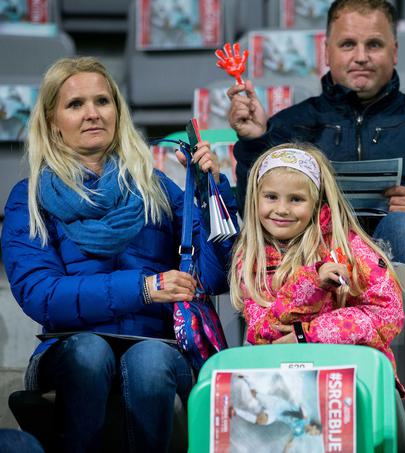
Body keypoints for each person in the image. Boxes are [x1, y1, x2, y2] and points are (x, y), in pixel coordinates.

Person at [0, 57, 238, 452]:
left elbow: (216, 275)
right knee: (91, 351)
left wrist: (209, 190)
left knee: (147, 361)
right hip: (69, 346)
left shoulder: (156, 185)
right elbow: (41, 295)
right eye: (75, 105)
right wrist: (143, 288)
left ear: (117, 111)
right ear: (52, 120)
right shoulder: (28, 198)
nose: (93, 113)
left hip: (157, 345)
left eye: (103, 101)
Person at [227, 0, 405, 325]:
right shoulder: (288, 126)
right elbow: (255, 216)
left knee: (403, 227)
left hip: (399, 258)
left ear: (394, 51)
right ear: (327, 51)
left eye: (374, 44)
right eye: (348, 44)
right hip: (313, 268)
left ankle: (403, 358)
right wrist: (254, 143)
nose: (361, 56)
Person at [228, 144, 405, 394]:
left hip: (352, 376)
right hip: (282, 381)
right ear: (254, 198)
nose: (282, 209)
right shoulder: (250, 257)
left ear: (316, 201)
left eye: (296, 199)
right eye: (271, 197)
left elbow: (387, 314)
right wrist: (312, 283)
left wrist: (308, 334)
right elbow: (264, 331)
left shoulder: (348, 247)